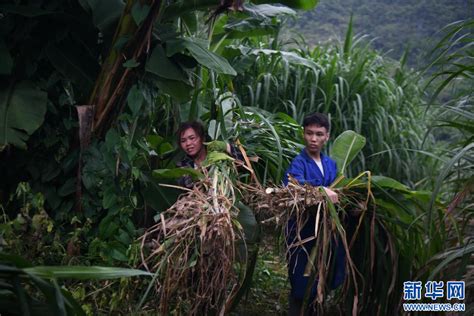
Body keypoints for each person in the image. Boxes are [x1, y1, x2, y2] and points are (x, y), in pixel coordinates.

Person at [283, 113, 345, 315]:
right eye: (309, 133)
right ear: (303, 134)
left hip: (325, 231)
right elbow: (293, 185)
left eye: (319, 134)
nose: (313, 139)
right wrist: (320, 190)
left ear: (327, 137)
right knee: (301, 282)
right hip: (302, 232)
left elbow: (339, 191)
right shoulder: (298, 163)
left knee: (323, 277)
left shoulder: (331, 164)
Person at [175, 120, 241, 188]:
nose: (188, 143)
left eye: (192, 138)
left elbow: (245, 162)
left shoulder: (218, 154)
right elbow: (187, 184)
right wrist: (203, 169)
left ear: (202, 138)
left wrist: (226, 147)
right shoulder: (182, 165)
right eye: (183, 141)